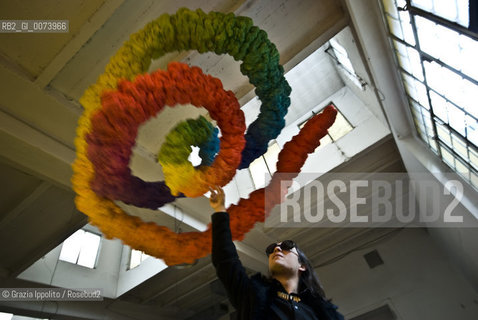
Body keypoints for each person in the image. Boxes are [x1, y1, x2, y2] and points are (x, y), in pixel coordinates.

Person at [209, 186, 345, 320]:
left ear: (302, 265)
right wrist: (220, 211)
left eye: (287, 246)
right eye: (271, 249)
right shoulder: (251, 295)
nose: (277, 249)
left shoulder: (320, 312)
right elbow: (226, 259)